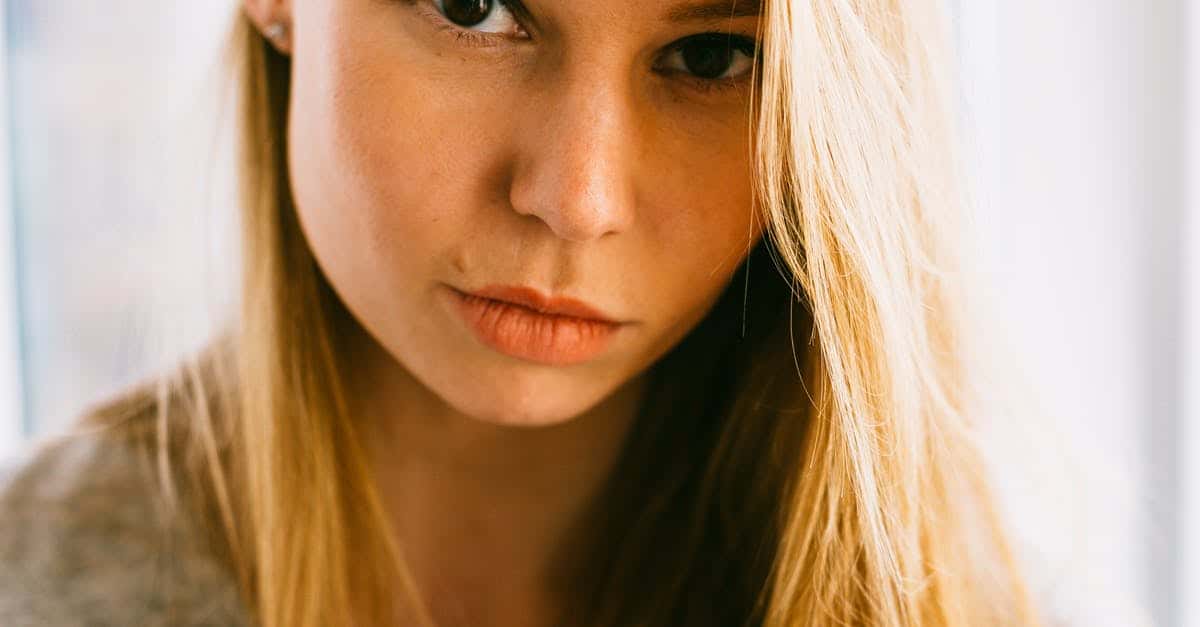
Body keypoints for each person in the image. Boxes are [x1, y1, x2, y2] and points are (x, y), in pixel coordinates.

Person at [0, 0, 1057, 625]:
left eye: (710, 55)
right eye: (473, 5)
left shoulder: (964, 593)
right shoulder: (37, 581)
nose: (576, 198)